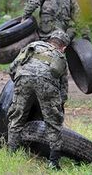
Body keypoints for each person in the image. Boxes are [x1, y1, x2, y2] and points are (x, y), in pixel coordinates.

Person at [7, 29, 70, 170]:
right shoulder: (60, 56)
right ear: (64, 47)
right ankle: (53, 162)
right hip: (47, 83)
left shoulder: (33, 46)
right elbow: (63, 90)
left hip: (23, 78)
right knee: (53, 122)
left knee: (17, 116)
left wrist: (20, 86)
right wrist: (58, 107)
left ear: (49, 40)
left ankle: (11, 154)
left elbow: (12, 68)